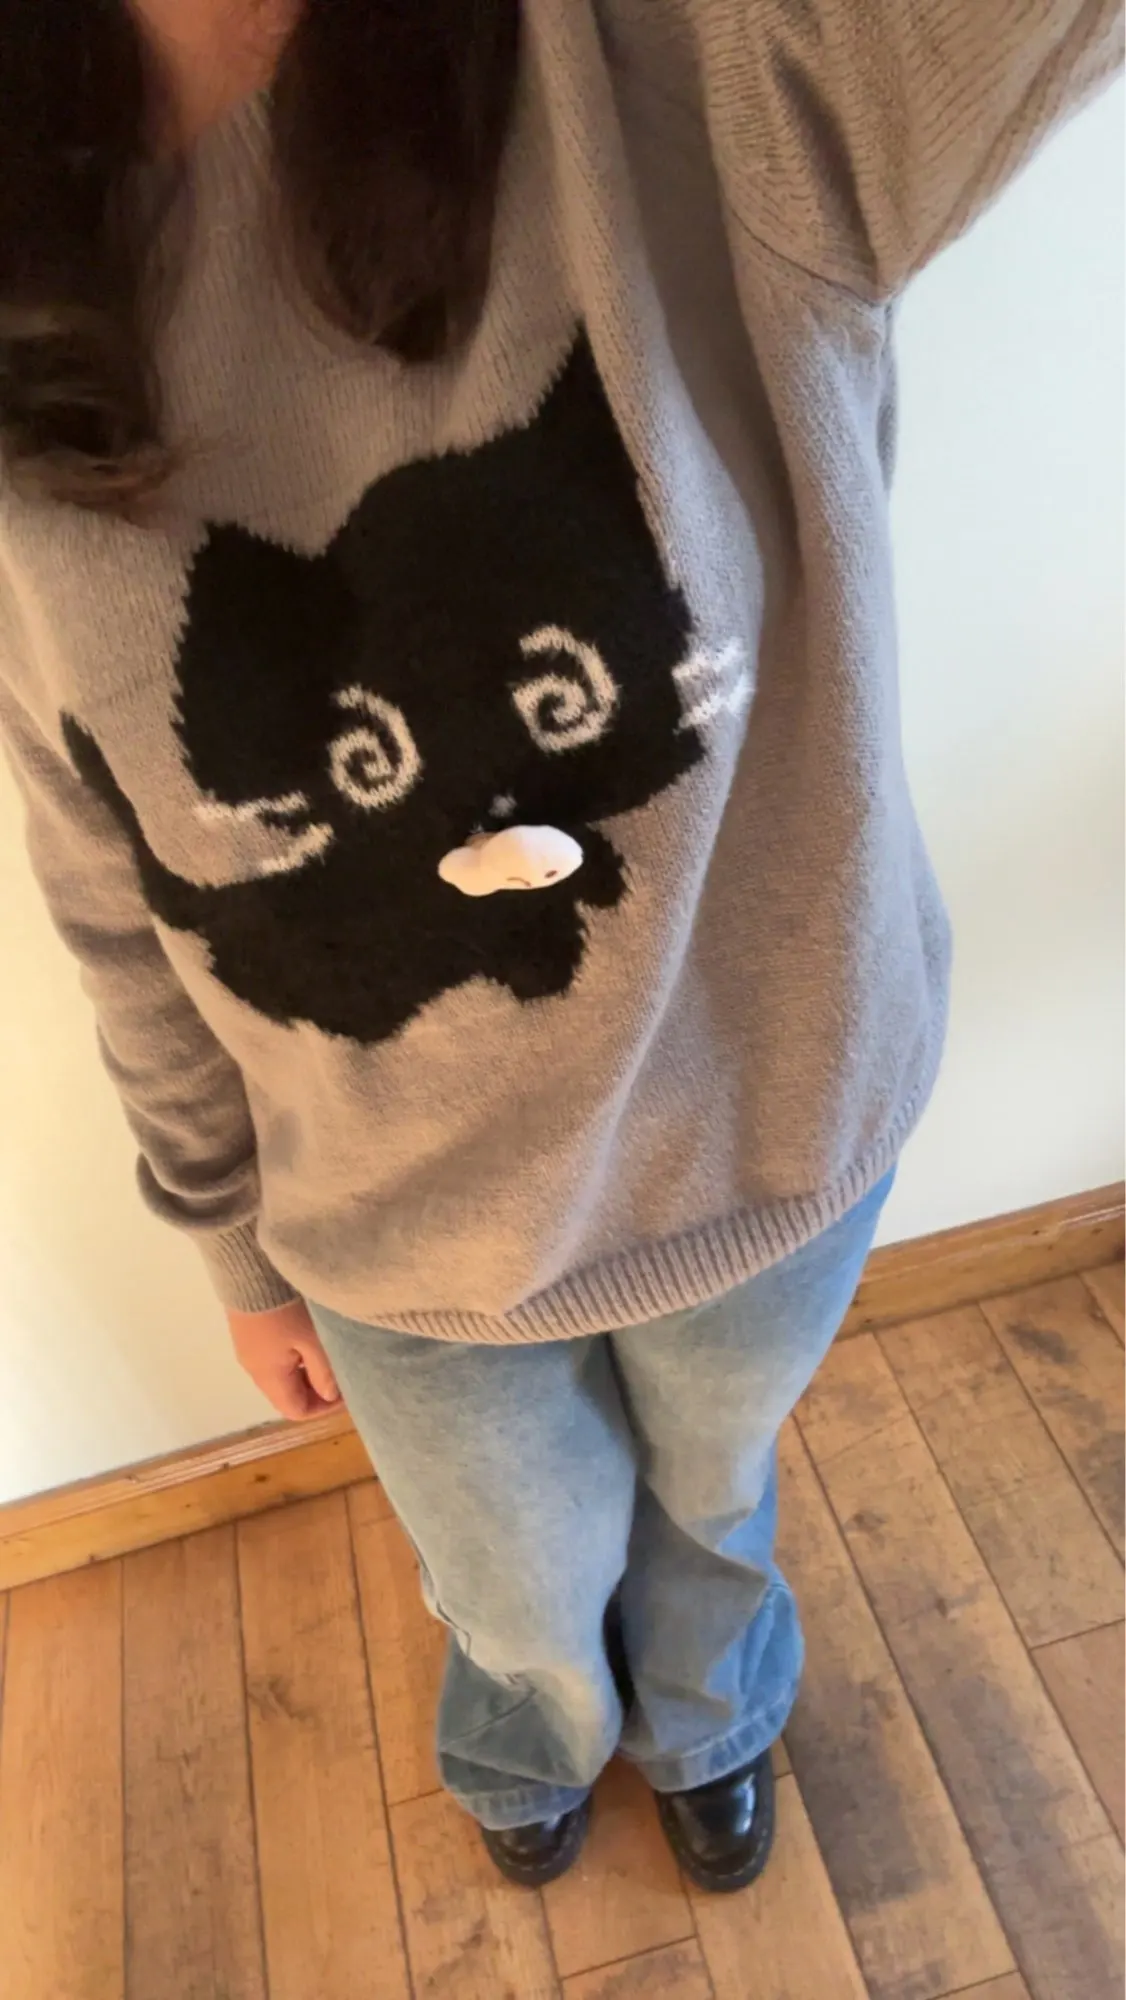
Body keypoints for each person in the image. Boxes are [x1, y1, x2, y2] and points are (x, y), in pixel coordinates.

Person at [0, 0, 1118, 1895]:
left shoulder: (700, 66)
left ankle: (710, 1710)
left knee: (714, 1499)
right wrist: (226, 1237)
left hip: (768, 1137)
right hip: (393, 1243)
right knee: (513, 1579)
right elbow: (113, 880)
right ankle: (530, 1720)